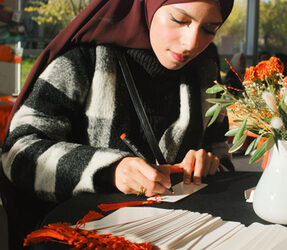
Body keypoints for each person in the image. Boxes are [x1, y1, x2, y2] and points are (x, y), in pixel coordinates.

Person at [0, 0, 234, 248]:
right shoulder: (83, 61)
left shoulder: (205, 75)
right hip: (86, 239)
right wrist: (110, 171)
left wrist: (208, 164)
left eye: (209, 29)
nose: (191, 43)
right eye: (179, 20)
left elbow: (225, 162)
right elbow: (18, 153)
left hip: (180, 236)